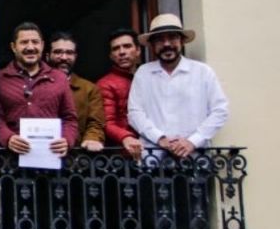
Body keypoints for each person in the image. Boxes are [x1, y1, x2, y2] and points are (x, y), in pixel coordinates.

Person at [128, 14, 229, 158]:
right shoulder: (143, 73)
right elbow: (135, 113)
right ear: (152, 45)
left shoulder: (202, 72)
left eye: (172, 38)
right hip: (154, 158)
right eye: (160, 40)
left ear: (182, 41)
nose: (167, 44)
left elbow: (220, 111)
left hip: (195, 157)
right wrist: (160, 138)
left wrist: (192, 141)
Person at [0, 22, 79, 156]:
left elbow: (70, 119)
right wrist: (7, 138)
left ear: (42, 45)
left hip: (51, 158)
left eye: (35, 42)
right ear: (13, 47)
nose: (30, 47)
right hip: (10, 161)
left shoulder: (59, 78)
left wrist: (67, 140)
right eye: (24, 42)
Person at [47, 31, 106, 152]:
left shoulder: (89, 89)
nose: (64, 57)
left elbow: (95, 123)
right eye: (58, 52)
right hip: (41, 152)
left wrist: (92, 138)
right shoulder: (37, 84)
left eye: (69, 53)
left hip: (77, 156)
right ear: (47, 56)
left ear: (75, 56)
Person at [96, 28, 144, 158]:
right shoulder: (105, 84)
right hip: (122, 154)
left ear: (138, 50)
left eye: (127, 46)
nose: (122, 52)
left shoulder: (149, 77)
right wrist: (126, 137)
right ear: (111, 55)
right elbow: (106, 122)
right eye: (116, 49)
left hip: (155, 148)